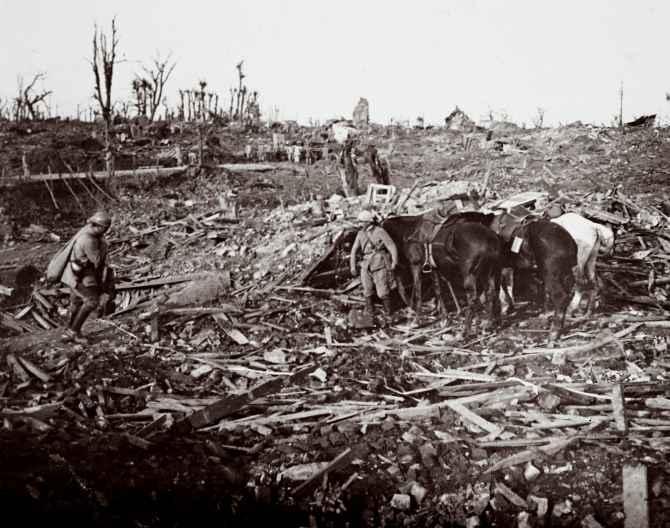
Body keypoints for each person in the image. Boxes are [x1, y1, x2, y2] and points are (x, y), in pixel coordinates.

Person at [61, 211, 113, 343]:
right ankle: (73, 332)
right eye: (105, 228)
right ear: (98, 226)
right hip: (81, 274)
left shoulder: (87, 231)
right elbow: (97, 260)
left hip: (74, 273)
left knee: (76, 301)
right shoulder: (89, 240)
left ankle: (68, 331)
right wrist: (104, 247)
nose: (106, 231)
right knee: (92, 301)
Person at [349, 210, 398, 320]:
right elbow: (354, 250)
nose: (359, 224)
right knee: (367, 290)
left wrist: (394, 261)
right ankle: (371, 314)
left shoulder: (380, 231)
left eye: (361, 222)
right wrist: (352, 266)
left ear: (368, 222)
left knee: (383, 292)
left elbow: (391, 246)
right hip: (366, 265)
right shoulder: (360, 233)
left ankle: (389, 315)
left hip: (379, 263)